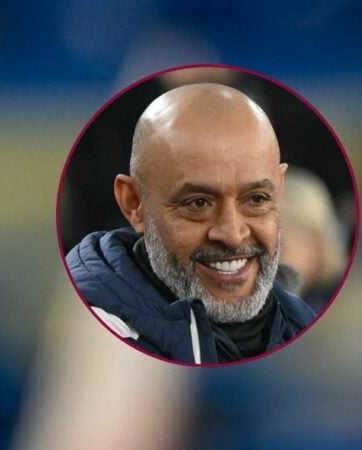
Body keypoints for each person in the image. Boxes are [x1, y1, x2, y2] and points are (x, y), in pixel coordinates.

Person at [64, 83, 316, 364]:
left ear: (279, 191)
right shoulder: (87, 346)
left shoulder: (309, 332)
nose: (233, 235)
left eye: (256, 199)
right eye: (198, 203)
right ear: (134, 203)